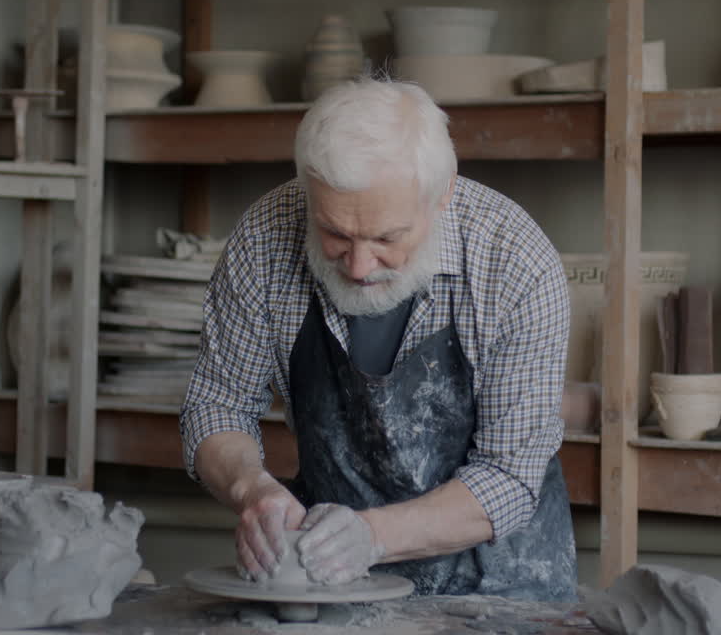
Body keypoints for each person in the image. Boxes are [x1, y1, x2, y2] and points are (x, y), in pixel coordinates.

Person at [178, 76, 576, 600]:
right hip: (336, 580)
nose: (360, 266)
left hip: (500, 586)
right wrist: (252, 491)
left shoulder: (515, 263)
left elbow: (510, 476)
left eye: (387, 238)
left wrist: (371, 536)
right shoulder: (264, 240)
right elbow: (216, 405)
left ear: (442, 195)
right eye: (335, 234)